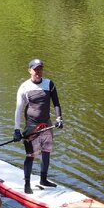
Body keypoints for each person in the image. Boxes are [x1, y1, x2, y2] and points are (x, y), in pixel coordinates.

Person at [14, 58, 64, 195]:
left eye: (40, 69)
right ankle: (27, 184)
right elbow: (18, 109)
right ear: (30, 70)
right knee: (30, 155)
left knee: (46, 152)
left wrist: (59, 118)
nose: (38, 71)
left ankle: (43, 179)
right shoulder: (24, 87)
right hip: (31, 126)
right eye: (35, 69)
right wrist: (17, 130)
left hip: (46, 124)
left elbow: (56, 103)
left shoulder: (49, 84)